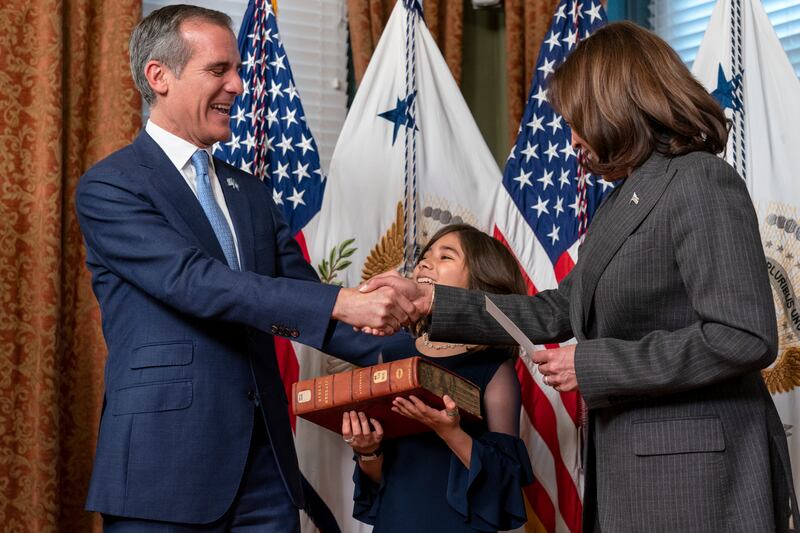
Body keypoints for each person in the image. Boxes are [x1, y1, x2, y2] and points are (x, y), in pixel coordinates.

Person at [362, 22, 799, 533]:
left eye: (577, 121)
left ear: (614, 106)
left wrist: (591, 363)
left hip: (697, 478)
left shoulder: (699, 181)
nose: (573, 140)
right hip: (631, 473)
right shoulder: (620, 203)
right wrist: (428, 302)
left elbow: (744, 337)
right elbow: (554, 311)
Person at [75, 5, 415, 531]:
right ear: (158, 76)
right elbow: (194, 282)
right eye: (219, 70)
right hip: (163, 470)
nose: (237, 84)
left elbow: (302, 302)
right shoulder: (111, 186)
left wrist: (430, 343)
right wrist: (344, 301)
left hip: (266, 470)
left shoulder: (250, 192)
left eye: (236, 70)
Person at [341, 224, 533, 532]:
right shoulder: (391, 354)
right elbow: (384, 478)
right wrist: (367, 451)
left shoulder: (494, 368)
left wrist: (450, 431)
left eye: (446, 256)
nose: (424, 263)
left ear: (479, 282)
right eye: (425, 255)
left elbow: (502, 484)